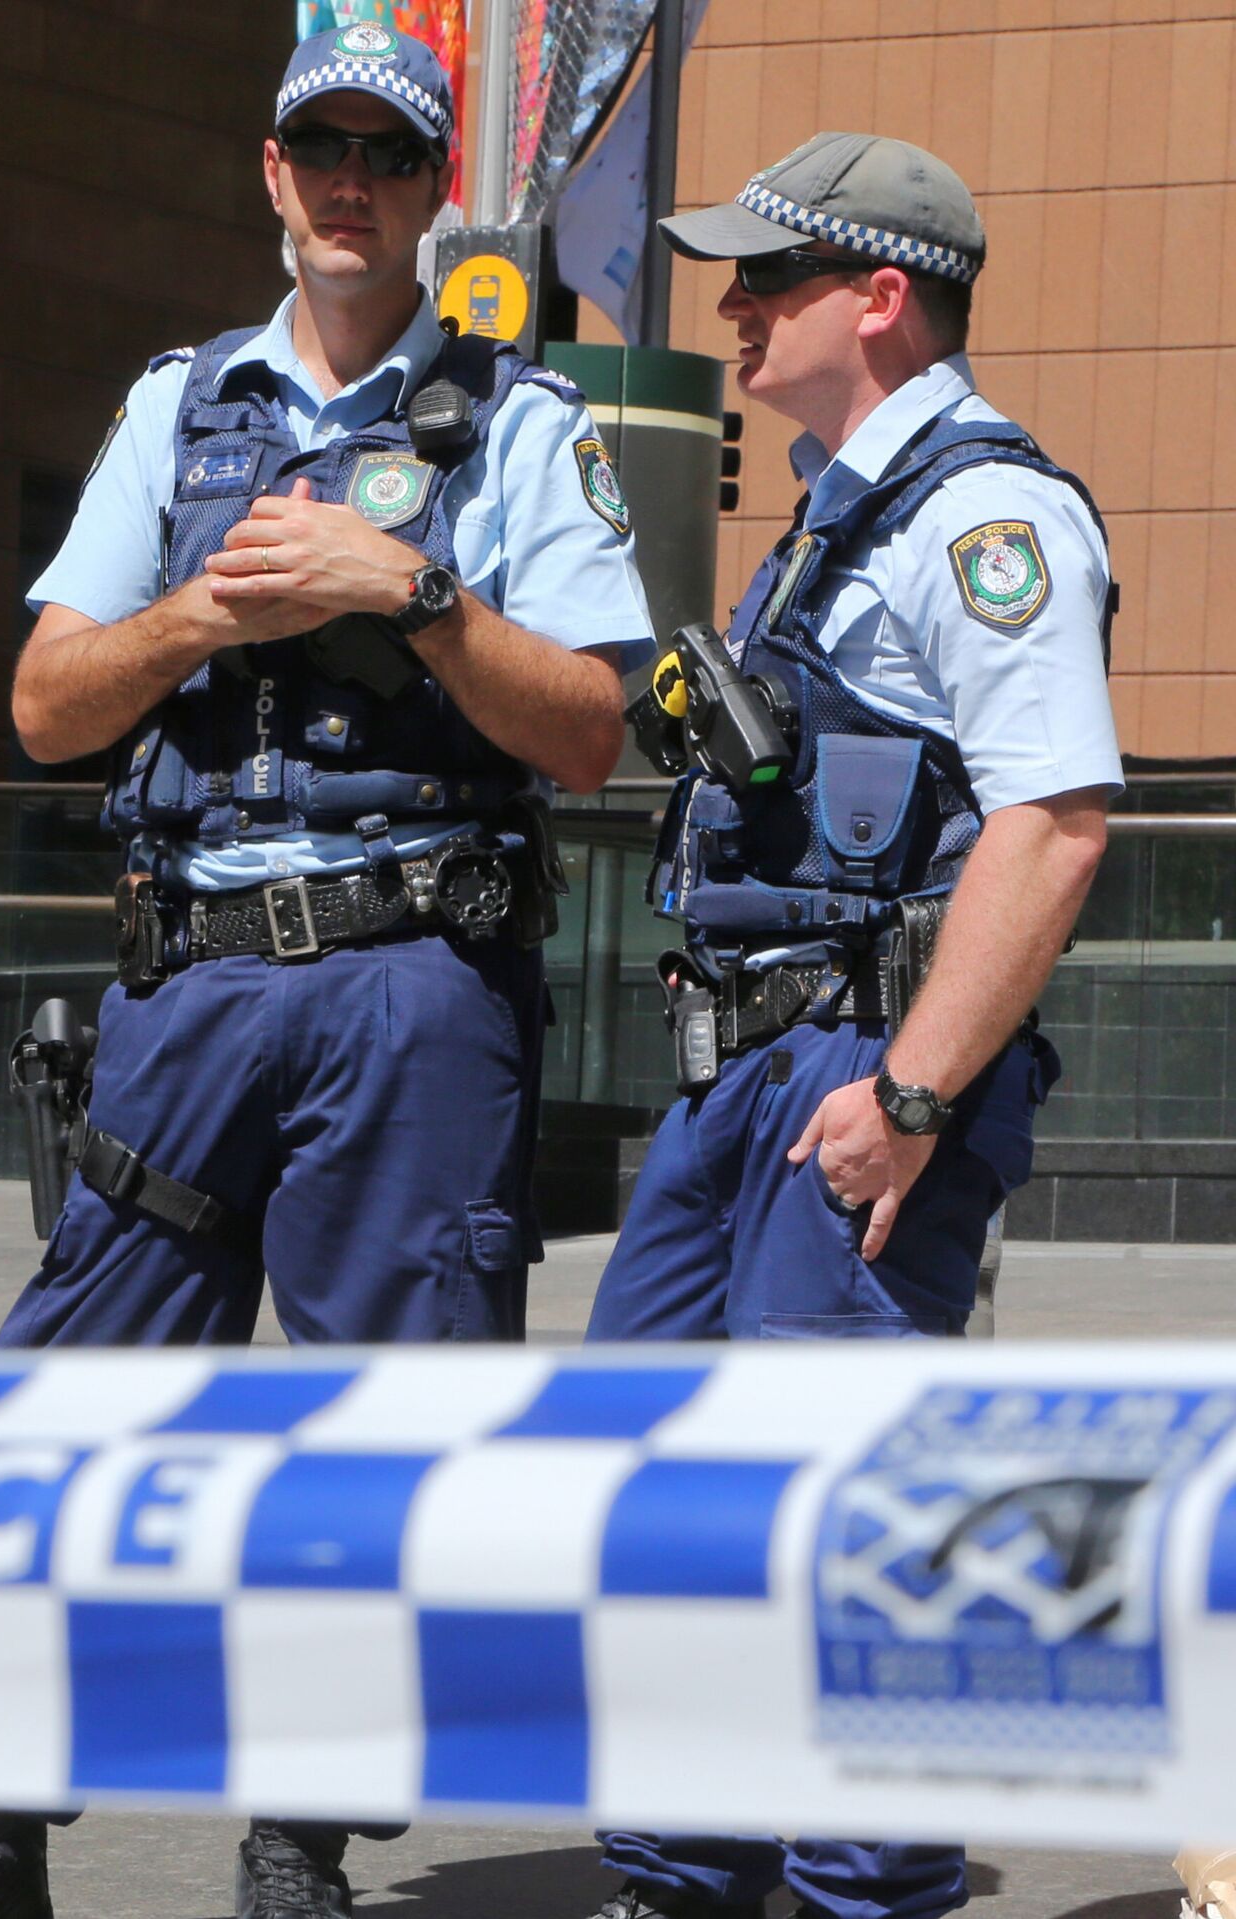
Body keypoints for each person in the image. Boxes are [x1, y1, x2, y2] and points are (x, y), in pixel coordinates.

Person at [0, 24, 653, 1919]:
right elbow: (43, 705)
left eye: (389, 156)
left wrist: (408, 593)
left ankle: (295, 1854)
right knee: (63, 1405)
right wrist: (201, 612)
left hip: (414, 982)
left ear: (433, 194)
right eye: (320, 147)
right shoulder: (179, 408)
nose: (351, 184)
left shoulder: (519, 423)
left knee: (374, 1446)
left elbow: (593, 732)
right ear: (271, 173)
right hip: (188, 984)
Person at [585, 133, 1122, 1919]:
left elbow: (1053, 825)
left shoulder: (985, 520)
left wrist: (913, 1090)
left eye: (769, 278)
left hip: (855, 1074)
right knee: (663, 1488)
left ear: (880, 298)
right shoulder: (837, 508)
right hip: (745, 1066)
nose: (733, 310)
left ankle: (858, 1895)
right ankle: (681, 1871)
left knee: (844, 1518)